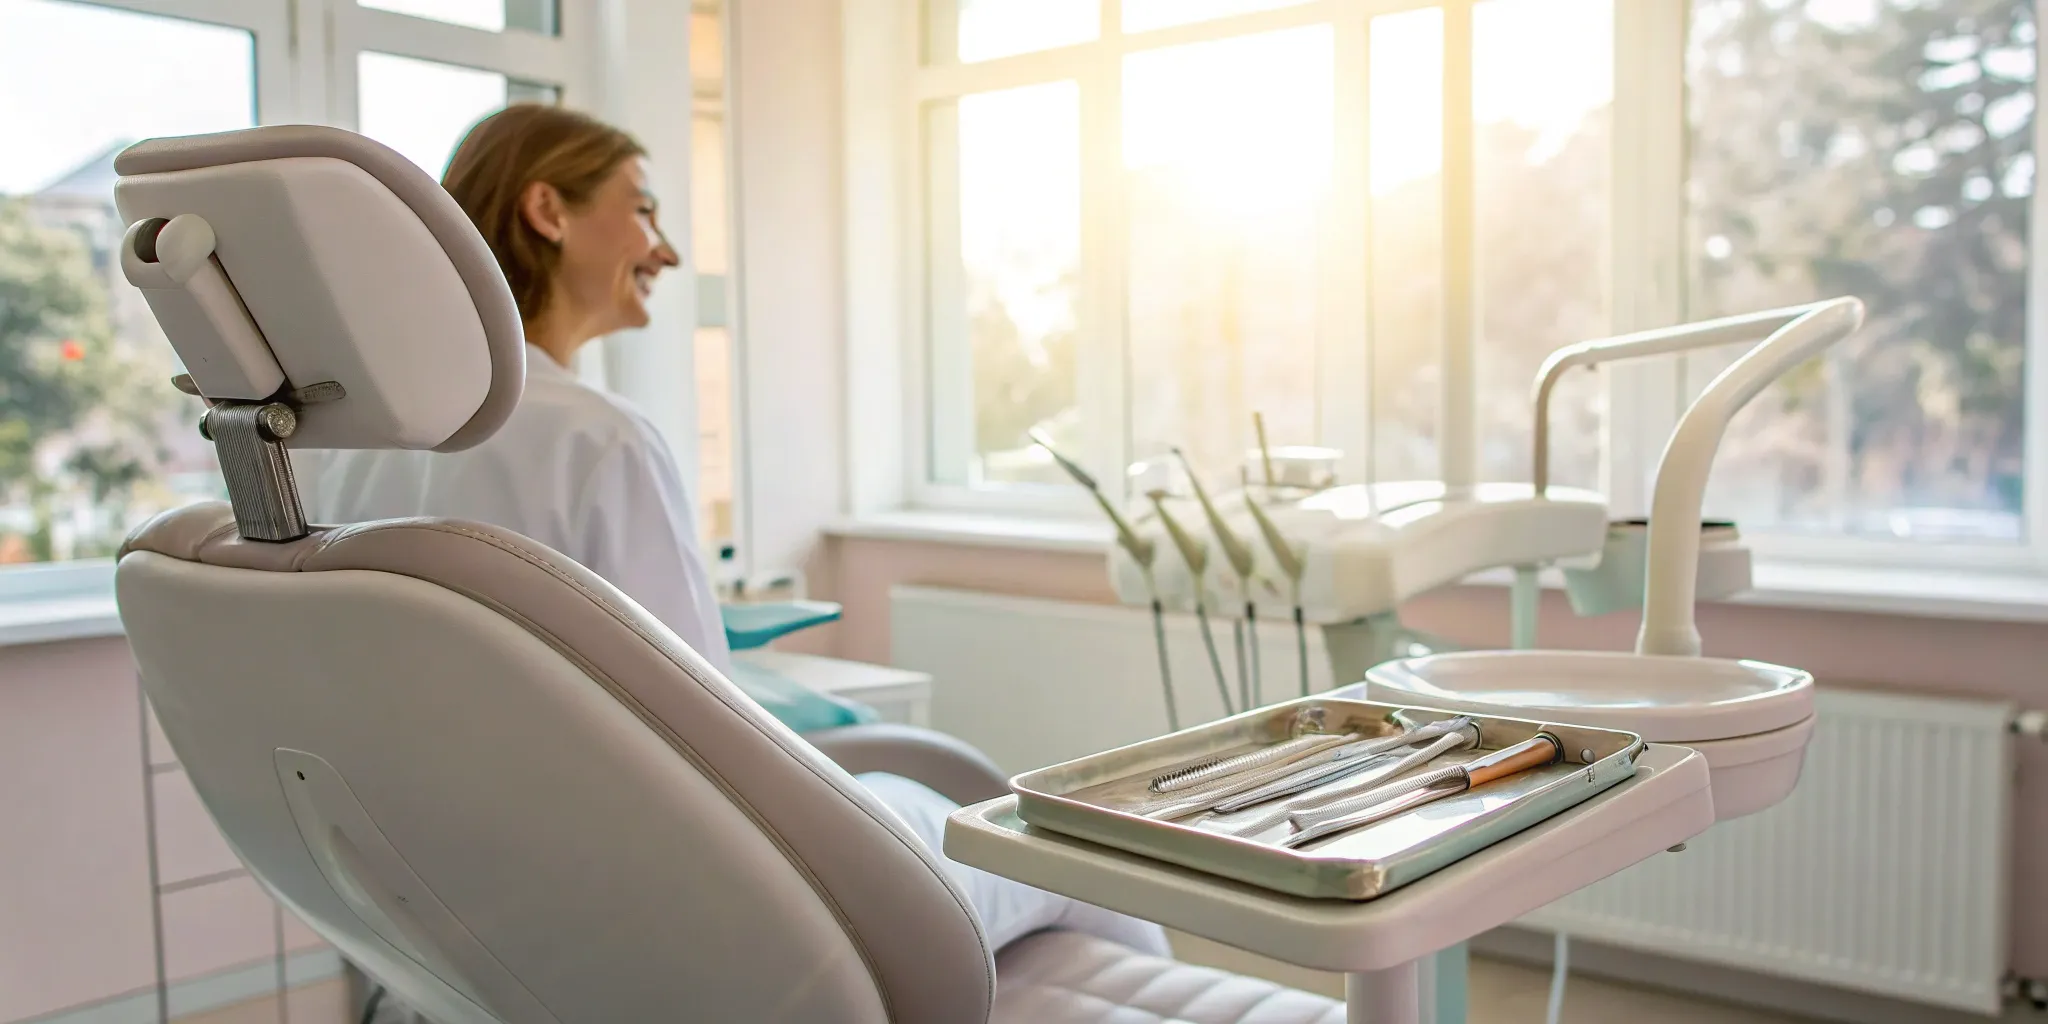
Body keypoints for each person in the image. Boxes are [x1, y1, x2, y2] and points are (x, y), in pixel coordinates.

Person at [297, 107, 1169, 1019]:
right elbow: (704, 740)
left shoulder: (354, 449)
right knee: (1066, 852)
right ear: (547, 209)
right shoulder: (597, 442)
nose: (664, 252)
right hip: (669, 911)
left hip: (467, 911)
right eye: (643, 210)